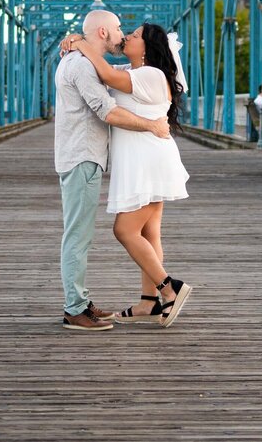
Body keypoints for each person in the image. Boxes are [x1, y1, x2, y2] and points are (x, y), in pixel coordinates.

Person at [63, 22, 194, 328]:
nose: (126, 37)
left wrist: (81, 44)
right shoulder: (135, 72)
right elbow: (106, 68)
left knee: (124, 230)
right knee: (149, 233)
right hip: (145, 159)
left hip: (148, 161)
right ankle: (148, 303)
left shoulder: (150, 74)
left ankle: (169, 288)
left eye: (133, 35)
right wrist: (80, 39)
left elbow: (106, 74)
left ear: (146, 47)